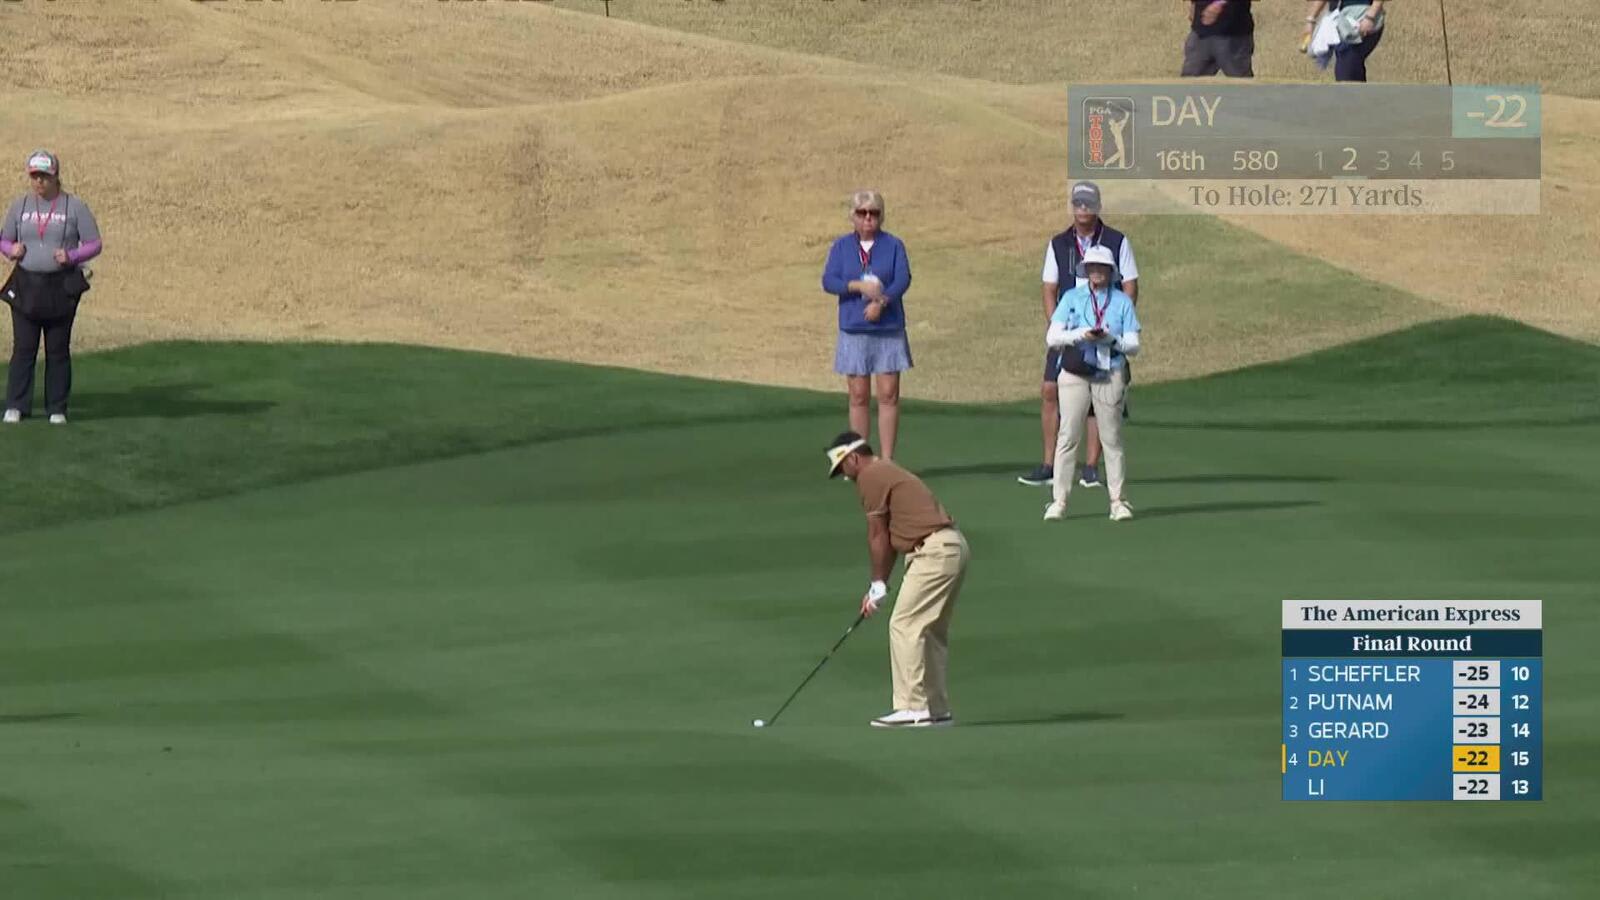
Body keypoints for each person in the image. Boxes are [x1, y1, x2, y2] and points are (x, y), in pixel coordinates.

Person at [827, 430, 969, 728]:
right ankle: (936, 708)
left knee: (904, 624)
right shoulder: (885, 471)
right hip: (950, 547)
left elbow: (877, 535)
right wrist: (879, 585)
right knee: (929, 629)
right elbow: (890, 540)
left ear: (854, 458)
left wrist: (878, 585)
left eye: (844, 469)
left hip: (934, 550)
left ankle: (913, 707)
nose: (846, 477)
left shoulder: (871, 475)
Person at [1018, 181, 1138, 490]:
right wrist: (1056, 325)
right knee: (1049, 390)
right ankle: (1050, 464)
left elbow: (1130, 284)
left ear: (1097, 206)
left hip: (1104, 332)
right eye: (1078, 203)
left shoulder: (1116, 240)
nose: (1082, 209)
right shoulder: (1059, 243)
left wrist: (1118, 322)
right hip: (1071, 330)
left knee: (1098, 397)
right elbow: (1049, 288)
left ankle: (1091, 467)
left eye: (1088, 203)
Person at [1, 150, 101, 425]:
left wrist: (72, 256)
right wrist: (12, 249)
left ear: (56, 176)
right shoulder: (20, 206)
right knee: (24, 348)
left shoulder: (74, 207)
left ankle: (56, 406)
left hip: (60, 286)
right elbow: (3, 239)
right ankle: (16, 405)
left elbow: (94, 243)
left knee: (57, 349)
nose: (39, 182)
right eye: (35, 176)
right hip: (26, 285)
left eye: (44, 176)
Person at [1043, 246, 1141, 523]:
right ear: (1086, 271)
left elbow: (1133, 345)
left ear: (1110, 271)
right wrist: (1080, 335)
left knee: (1111, 437)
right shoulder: (1072, 297)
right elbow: (1053, 336)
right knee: (1068, 435)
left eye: (1102, 267)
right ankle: (1059, 502)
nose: (1096, 272)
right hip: (1075, 371)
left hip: (1110, 370)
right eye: (1092, 267)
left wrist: (1111, 340)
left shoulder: (1121, 301)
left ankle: (1118, 501)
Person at [821, 190, 912, 461]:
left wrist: (881, 302)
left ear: (881, 216)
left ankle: (886, 460)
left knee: (888, 394)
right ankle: (860, 457)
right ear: (853, 217)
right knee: (858, 395)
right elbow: (829, 281)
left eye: (874, 213)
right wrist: (857, 286)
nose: (868, 218)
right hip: (854, 328)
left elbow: (902, 279)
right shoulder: (841, 247)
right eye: (862, 213)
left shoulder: (893, 245)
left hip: (888, 328)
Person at [1303, 1, 1387, 82]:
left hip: (1364, 15)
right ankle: (1356, 93)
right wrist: (1310, 20)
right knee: (1347, 61)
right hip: (1342, 19)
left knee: (1347, 58)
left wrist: (1370, 17)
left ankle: (1350, 93)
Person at [1182, 0, 1256, 78]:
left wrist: (1220, 3)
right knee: (1189, 83)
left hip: (1233, 36)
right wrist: (1193, 4)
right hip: (1200, 33)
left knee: (1240, 83)